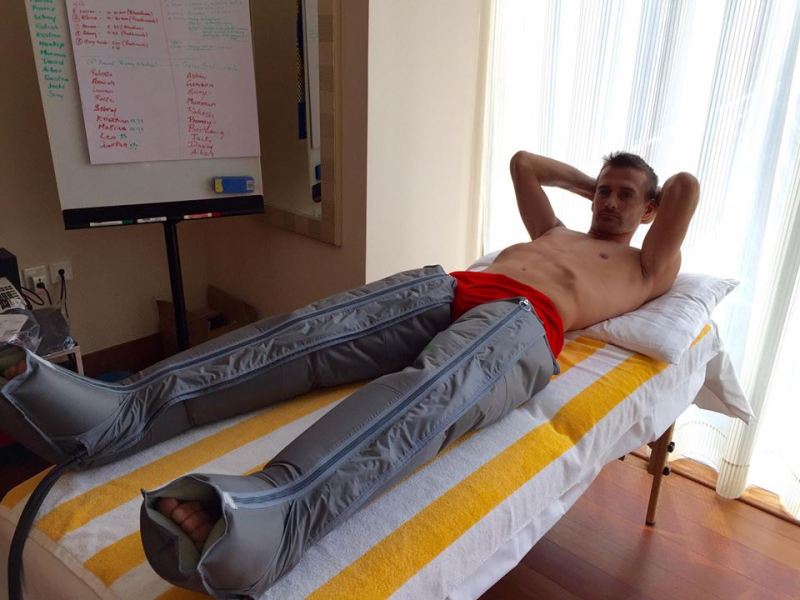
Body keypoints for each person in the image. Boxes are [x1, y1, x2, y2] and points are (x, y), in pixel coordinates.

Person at [1, 151, 699, 597]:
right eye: (603, 192)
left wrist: (643, 198)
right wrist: (590, 185)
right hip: (454, 285)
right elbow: (522, 163)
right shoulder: (556, 231)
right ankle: (122, 411)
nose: (608, 202)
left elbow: (687, 187)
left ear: (650, 210)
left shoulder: (645, 265)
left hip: (520, 322)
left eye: (625, 196)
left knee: (423, 396)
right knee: (304, 333)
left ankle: (277, 511)